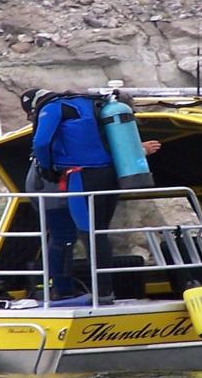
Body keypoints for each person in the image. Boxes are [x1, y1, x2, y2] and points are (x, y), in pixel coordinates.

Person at [21, 88, 161, 302]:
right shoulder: (92, 103)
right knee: (100, 233)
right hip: (110, 175)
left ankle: (101, 293)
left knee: (89, 233)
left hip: (81, 175)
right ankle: (104, 290)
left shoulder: (53, 107)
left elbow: (41, 143)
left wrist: (47, 168)